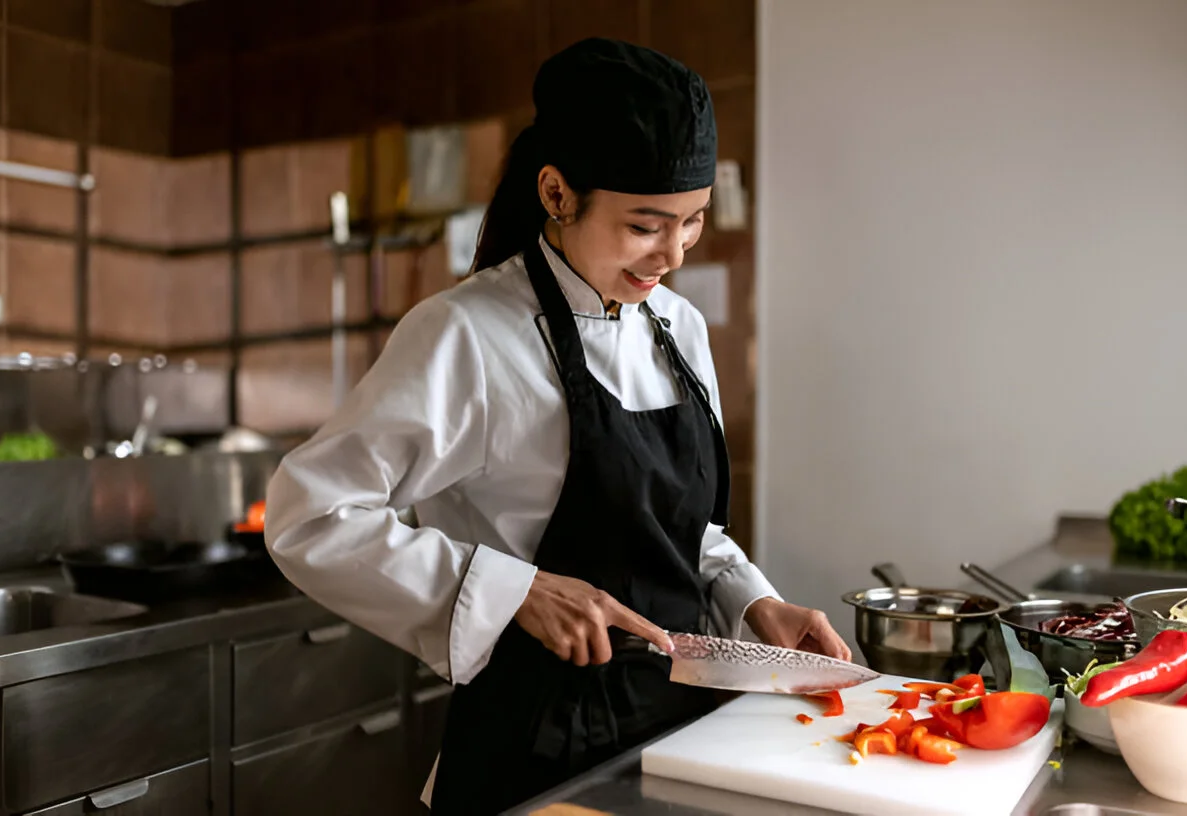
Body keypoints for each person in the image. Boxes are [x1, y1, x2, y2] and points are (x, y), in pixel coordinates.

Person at [263, 37, 852, 815]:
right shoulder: (468, 333)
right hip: (532, 758)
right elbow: (310, 515)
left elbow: (676, 531)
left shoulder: (678, 326)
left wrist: (751, 602)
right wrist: (517, 593)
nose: (671, 254)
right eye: (646, 226)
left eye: (693, 222)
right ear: (556, 193)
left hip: (679, 739)